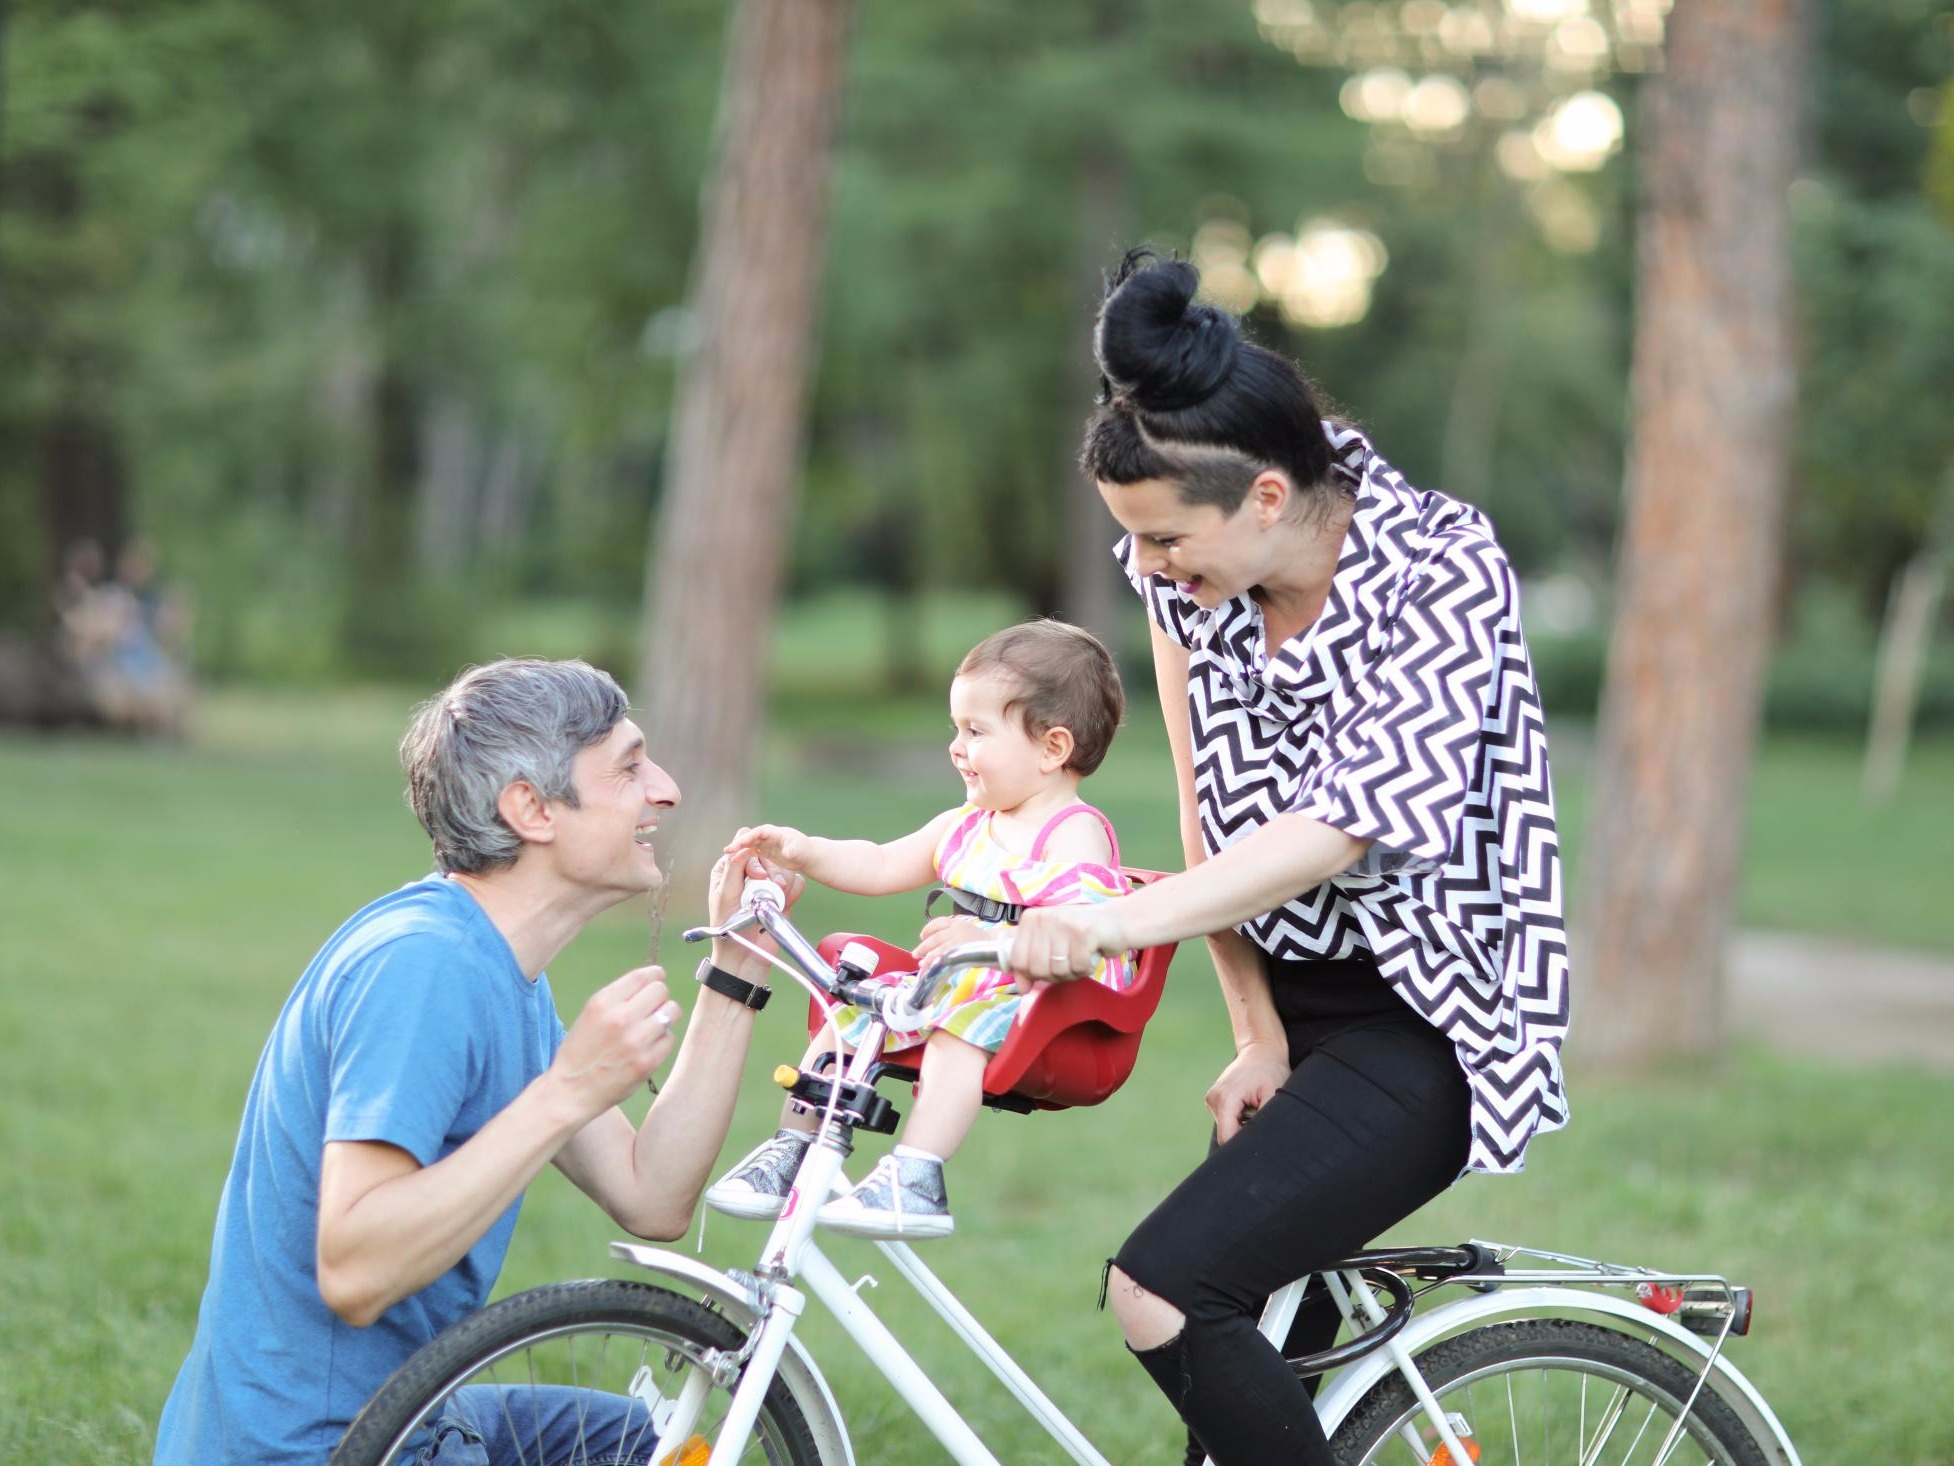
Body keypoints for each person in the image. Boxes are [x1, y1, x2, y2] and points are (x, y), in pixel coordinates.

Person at [1000, 252, 1571, 1465]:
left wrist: (1110, 922)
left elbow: (1339, 825)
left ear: (1266, 496)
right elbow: (1210, 805)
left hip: (1429, 1022)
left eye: (1164, 541)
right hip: (1303, 1014)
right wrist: (1254, 1026)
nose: (1148, 571)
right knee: (1247, 1386)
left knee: (1162, 1289)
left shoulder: (1441, 568)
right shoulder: (1196, 586)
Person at [154, 657, 803, 1465]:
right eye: (629, 768)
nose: (665, 789)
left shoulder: (498, 970)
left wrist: (738, 969)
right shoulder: (423, 967)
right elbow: (354, 1270)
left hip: (409, 1404)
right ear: (531, 809)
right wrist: (565, 1091)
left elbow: (654, 1194)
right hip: (323, 1446)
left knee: (651, 1443)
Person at [707, 620, 1134, 1239]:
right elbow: (880, 863)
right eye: (956, 729)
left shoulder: (1072, 834)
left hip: (1045, 1006)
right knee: (850, 999)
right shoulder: (969, 822)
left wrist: (988, 943)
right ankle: (794, 1147)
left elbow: (1079, 937)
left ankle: (916, 1174)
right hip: (957, 989)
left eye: (976, 731)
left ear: (1052, 748)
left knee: (960, 1023)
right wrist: (803, 850)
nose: (956, 747)